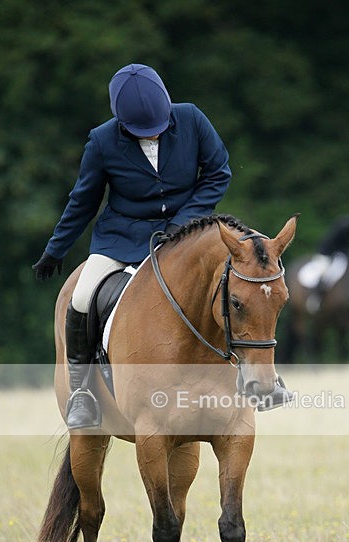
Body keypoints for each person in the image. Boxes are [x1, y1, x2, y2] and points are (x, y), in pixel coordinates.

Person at [32, 63, 232, 429]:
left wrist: (181, 222)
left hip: (187, 233)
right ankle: (82, 393)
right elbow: (84, 200)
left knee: (242, 279)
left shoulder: (191, 119)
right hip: (122, 238)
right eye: (143, 134)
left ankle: (256, 377)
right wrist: (56, 248)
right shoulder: (102, 140)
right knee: (81, 297)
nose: (151, 138)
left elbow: (218, 173)